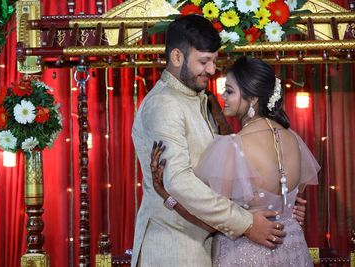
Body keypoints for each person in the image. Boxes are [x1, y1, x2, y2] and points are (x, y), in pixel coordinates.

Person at [131, 14, 290, 267]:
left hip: (206, 243)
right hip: (174, 248)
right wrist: (246, 224)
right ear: (176, 57)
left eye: (214, 61)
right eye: (204, 61)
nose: (212, 70)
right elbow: (179, 182)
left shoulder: (199, 98)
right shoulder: (163, 105)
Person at [150, 56, 320, 266]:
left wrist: (166, 195)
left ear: (253, 98)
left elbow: (212, 222)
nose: (223, 96)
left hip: (247, 254)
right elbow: (288, 203)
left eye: (229, 90)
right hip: (292, 249)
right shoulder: (293, 139)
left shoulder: (233, 145)